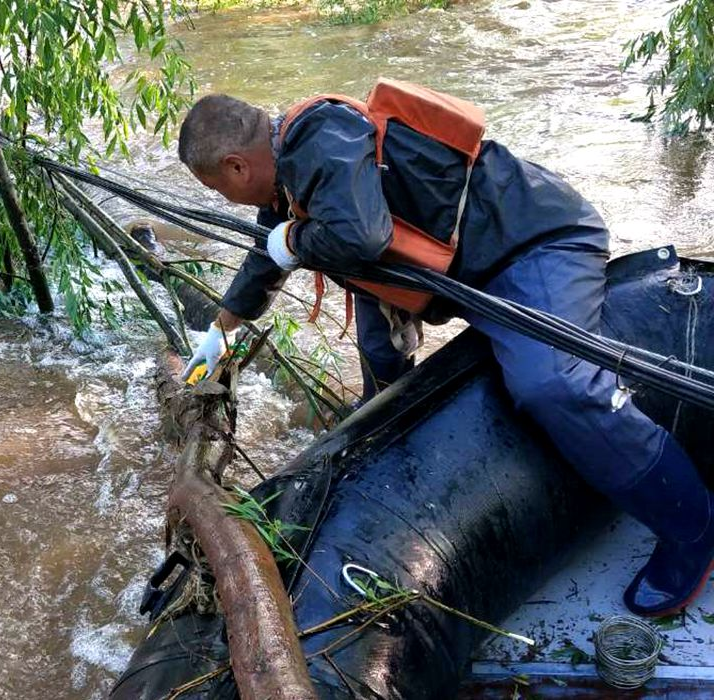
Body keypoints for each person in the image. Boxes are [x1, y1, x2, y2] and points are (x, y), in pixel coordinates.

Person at [176, 82, 714, 618]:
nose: (228, 202)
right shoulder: (287, 184)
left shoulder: (320, 137)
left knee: (554, 384)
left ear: (237, 167)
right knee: (379, 368)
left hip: (536, 247)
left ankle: (692, 526)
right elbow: (263, 263)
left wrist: (293, 243)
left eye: (219, 189)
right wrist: (219, 335)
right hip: (466, 273)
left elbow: (360, 237)